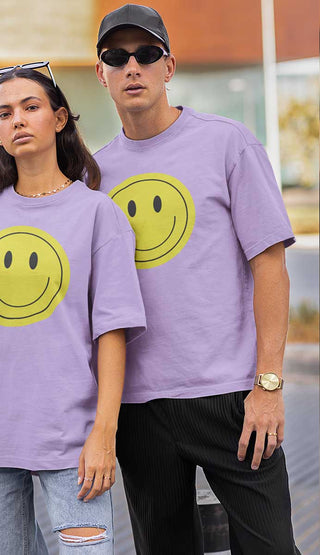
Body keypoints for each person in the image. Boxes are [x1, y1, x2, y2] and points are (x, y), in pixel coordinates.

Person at [93, 4, 300, 554]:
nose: (131, 66)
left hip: (230, 396)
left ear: (169, 66)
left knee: (272, 547)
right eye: (117, 56)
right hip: (139, 407)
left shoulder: (227, 143)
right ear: (101, 73)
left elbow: (271, 269)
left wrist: (269, 385)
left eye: (146, 54)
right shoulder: (93, 176)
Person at [0, 62, 146, 554]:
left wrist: (104, 434)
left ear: (60, 118)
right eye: (4, 114)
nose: (18, 120)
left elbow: (111, 332)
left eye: (31, 107)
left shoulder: (98, 214)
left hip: (71, 437)